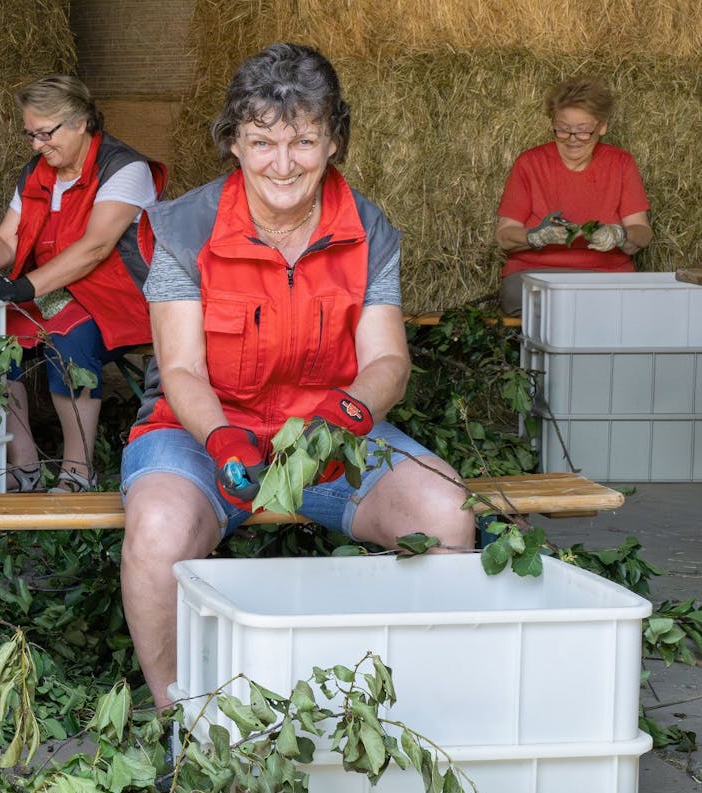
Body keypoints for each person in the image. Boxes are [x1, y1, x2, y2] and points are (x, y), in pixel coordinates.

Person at [118, 44, 476, 709]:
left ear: (334, 140)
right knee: (159, 529)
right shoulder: (181, 228)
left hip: (328, 433)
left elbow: (386, 361)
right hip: (202, 432)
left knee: (448, 512)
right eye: (262, 142)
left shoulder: (368, 230)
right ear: (232, 142)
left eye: (304, 141)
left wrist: (346, 420)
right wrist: (222, 437)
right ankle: (177, 722)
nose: (283, 164)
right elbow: (182, 368)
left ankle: (407, 707)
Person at [0, 75, 165, 493]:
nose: (37, 145)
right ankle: (25, 464)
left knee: (69, 343)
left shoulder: (124, 168)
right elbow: (9, 237)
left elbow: (95, 248)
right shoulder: (37, 172)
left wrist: (24, 287)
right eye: (31, 135)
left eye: (45, 134)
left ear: (80, 122)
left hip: (119, 295)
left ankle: (78, 470)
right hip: (55, 290)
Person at [494, 76, 652, 311]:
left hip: (606, 274)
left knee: (628, 308)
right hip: (537, 275)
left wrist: (618, 235)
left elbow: (643, 234)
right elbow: (504, 237)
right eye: (563, 130)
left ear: (603, 126)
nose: (572, 139)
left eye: (583, 131)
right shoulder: (529, 163)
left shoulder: (621, 163)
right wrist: (536, 236)